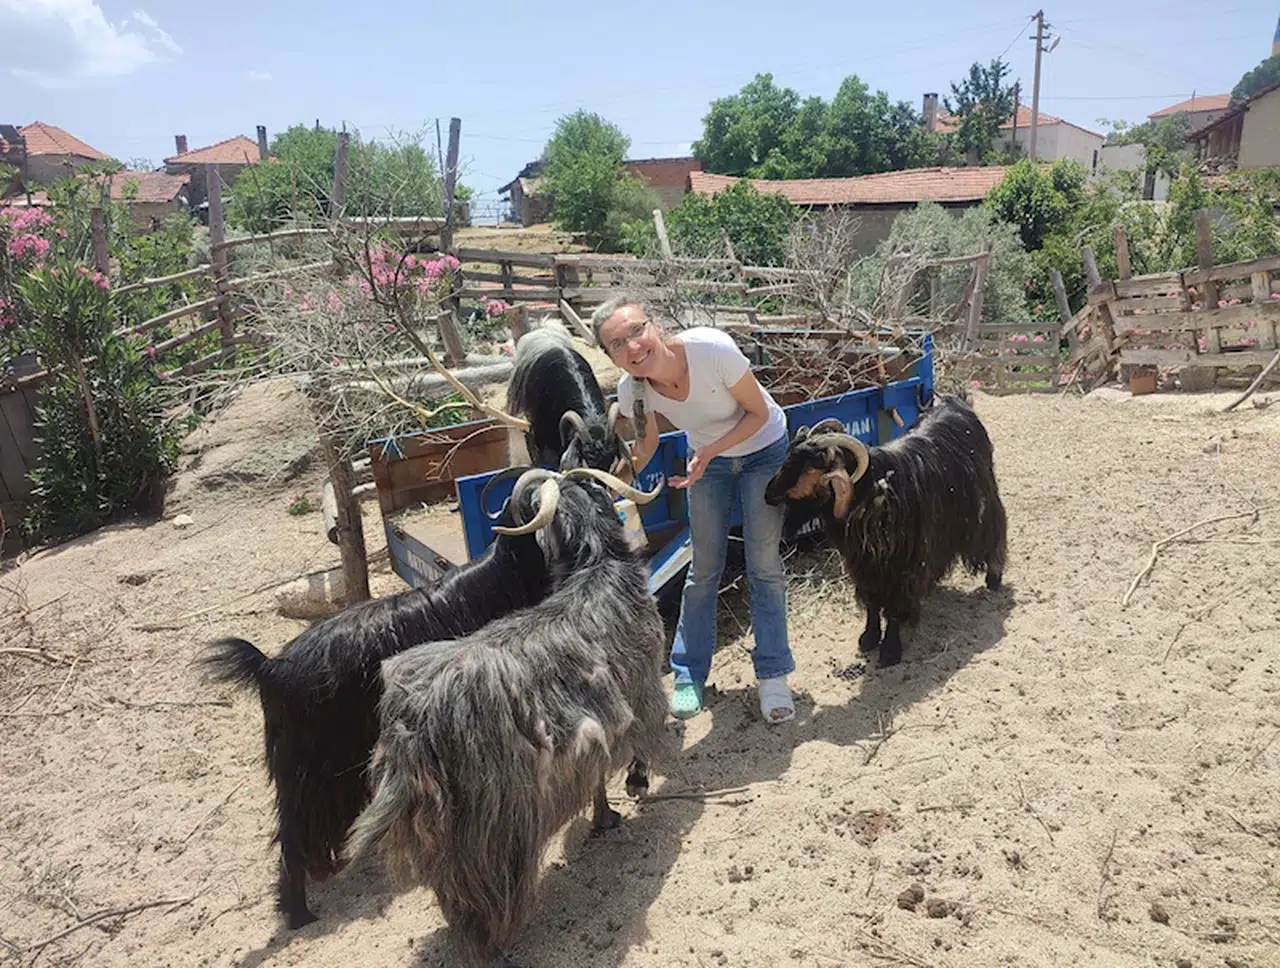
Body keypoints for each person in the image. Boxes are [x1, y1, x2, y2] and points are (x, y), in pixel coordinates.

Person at [591, 296, 796, 724]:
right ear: (610, 356)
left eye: (636, 331)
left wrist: (709, 453)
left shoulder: (711, 349)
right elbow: (644, 446)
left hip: (763, 449)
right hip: (709, 461)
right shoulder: (634, 392)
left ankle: (774, 675)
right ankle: (688, 676)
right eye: (616, 344)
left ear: (656, 327)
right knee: (703, 569)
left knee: (763, 565)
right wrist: (611, 484)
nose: (632, 347)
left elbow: (758, 412)